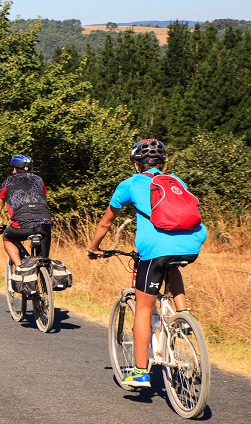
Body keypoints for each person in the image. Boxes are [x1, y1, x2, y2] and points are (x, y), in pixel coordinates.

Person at [86, 139, 207, 388]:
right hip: (191, 245)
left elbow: (106, 222)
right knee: (171, 265)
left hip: (154, 251)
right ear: (162, 163)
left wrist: (93, 247)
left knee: (143, 308)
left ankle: (141, 371)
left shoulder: (130, 184)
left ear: (135, 163)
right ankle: (183, 317)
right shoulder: (176, 181)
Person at [0, 154, 52, 266]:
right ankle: (45, 270)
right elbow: (43, 201)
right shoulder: (39, 179)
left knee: (7, 237)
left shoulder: (8, 181)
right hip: (44, 225)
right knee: (43, 261)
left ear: (15, 168)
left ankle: (20, 267)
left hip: (21, 226)